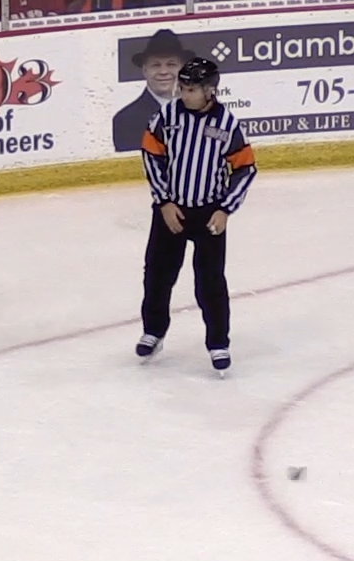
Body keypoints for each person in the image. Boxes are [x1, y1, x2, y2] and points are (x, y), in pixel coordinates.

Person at [135, 56, 255, 374]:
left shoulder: (227, 124)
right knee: (157, 275)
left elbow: (245, 168)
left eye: (191, 90)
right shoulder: (167, 116)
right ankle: (154, 331)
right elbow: (151, 153)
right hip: (171, 211)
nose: (184, 95)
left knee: (210, 282)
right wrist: (164, 201)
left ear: (209, 91)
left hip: (208, 214)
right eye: (182, 88)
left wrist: (225, 209)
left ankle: (218, 343)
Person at [112, 28, 189, 153]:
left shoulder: (201, 112)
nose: (163, 72)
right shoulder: (126, 120)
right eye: (156, 65)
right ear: (145, 70)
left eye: (171, 64)